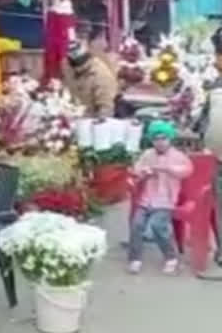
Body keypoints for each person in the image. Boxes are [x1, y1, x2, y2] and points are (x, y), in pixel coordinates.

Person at [128, 120, 192, 275]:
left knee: (158, 225)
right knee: (136, 224)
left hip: (166, 201)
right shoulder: (147, 154)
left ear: (170, 139)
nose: (160, 142)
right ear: (152, 140)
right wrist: (145, 172)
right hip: (146, 198)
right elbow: (136, 169)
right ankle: (135, 258)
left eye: (164, 138)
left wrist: (168, 169)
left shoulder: (178, 156)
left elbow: (187, 170)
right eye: (157, 139)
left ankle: (171, 257)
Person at [64, 37, 118, 118]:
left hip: (92, 120)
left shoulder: (100, 75)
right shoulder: (69, 69)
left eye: (80, 61)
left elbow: (106, 109)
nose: (78, 67)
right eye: (74, 63)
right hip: (73, 115)